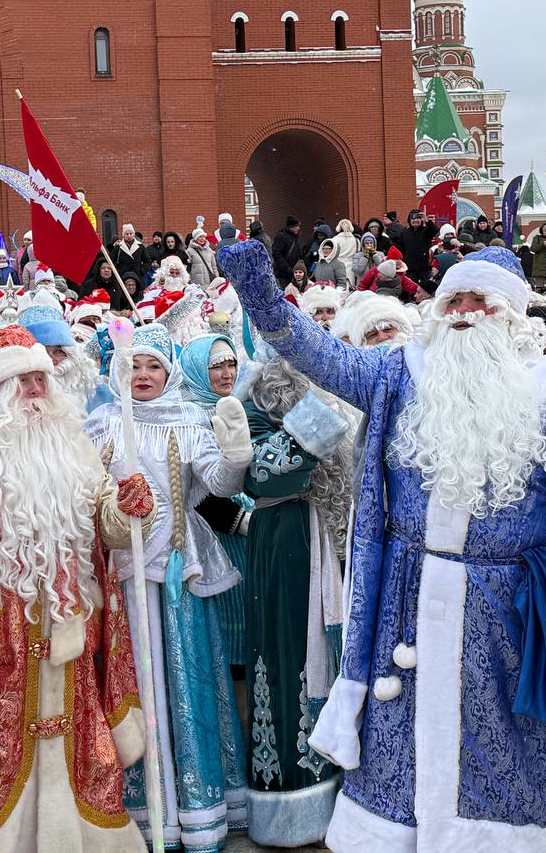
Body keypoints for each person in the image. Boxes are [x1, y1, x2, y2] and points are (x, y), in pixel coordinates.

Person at [217, 240, 546, 850]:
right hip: (407, 598)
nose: (465, 310)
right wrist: (262, 298)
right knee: (398, 742)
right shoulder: (399, 373)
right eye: (455, 298)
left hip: (507, 608)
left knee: (502, 743)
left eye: (482, 300)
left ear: (513, 315)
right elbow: (322, 356)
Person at [0, 324, 153, 852]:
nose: (34, 389)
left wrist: (127, 510)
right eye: (20, 380)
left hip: (69, 634)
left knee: (78, 751)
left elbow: (104, 530)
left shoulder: (74, 447)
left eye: (39, 377)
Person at [86, 323, 252, 851]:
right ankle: (140, 813)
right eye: (134, 365)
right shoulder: (104, 424)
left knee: (184, 682)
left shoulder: (187, 419)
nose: (142, 375)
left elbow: (219, 486)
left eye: (153, 365)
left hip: (178, 574)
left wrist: (235, 455)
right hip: (121, 579)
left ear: (171, 370)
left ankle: (197, 812)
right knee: (132, 685)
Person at [241, 356, 351, 847]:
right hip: (286, 544)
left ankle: (349, 795)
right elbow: (263, 474)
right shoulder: (248, 407)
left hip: (334, 538)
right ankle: (296, 800)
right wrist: (322, 416)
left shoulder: (344, 392)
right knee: (289, 661)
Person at [179, 335, 252, 677]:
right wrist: (240, 521)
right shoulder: (187, 416)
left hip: (250, 534)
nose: (226, 374)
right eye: (215, 367)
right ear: (195, 370)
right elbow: (192, 491)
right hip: (217, 537)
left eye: (231, 363)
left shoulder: (244, 404)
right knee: (230, 629)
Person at [397, 209, 438, 282]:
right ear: (409, 220)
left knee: (426, 290)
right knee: (410, 290)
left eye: (418, 218)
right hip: (410, 268)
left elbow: (435, 230)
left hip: (425, 268)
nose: (415, 220)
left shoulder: (426, 231)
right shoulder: (405, 233)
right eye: (413, 218)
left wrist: (427, 220)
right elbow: (400, 248)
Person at [272, 216, 306, 288]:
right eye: (297, 226)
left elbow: (298, 253)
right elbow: (277, 254)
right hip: (284, 274)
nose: (298, 228)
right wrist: (287, 269)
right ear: (291, 226)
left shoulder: (294, 236)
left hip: (294, 272)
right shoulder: (281, 236)